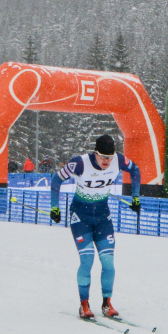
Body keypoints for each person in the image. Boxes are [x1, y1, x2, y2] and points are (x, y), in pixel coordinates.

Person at [50, 134, 142, 320]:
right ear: (95, 153)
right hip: (80, 217)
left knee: (108, 264)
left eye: (110, 157)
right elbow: (56, 179)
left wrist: (136, 197)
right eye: (103, 157)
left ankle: (107, 304)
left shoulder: (119, 160)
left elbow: (136, 170)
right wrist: (54, 207)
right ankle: (84, 305)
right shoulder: (80, 163)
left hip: (102, 217)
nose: (107, 161)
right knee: (87, 261)